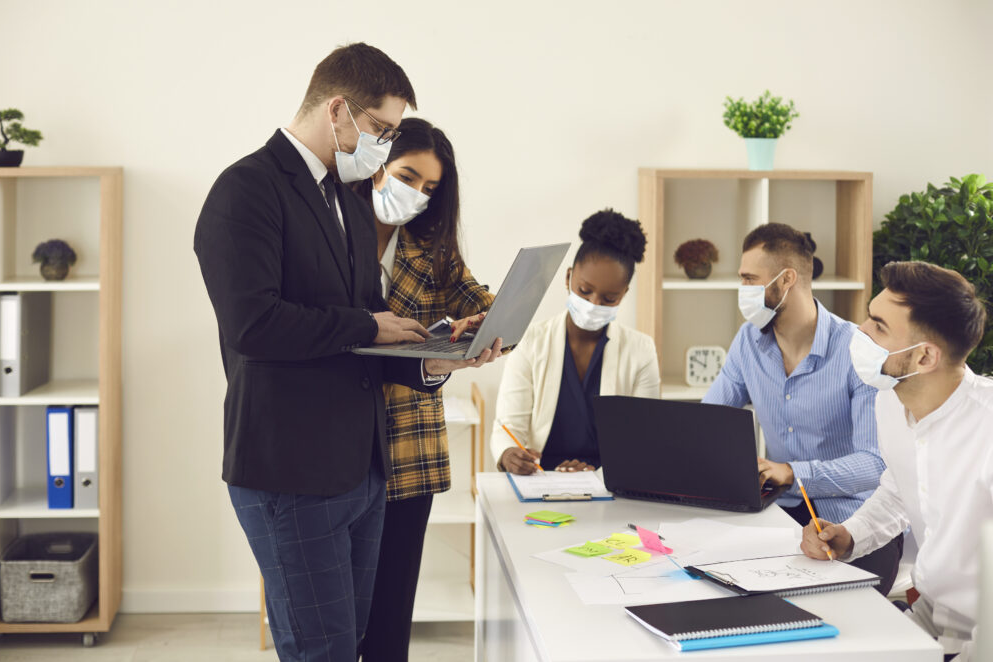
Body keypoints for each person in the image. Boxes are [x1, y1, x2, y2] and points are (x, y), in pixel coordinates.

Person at [193, 43, 500, 662]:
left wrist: (439, 359)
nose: (384, 147)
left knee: (357, 643)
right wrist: (369, 323)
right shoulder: (246, 190)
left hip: (363, 472)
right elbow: (253, 325)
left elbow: (368, 339)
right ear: (338, 110)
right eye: (381, 130)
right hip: (290, 472)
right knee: (321, 650)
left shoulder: (347, 206)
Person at [353, 118, 495, 662]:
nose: (416, 195)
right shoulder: (335, 231)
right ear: (380, 163)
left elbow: (475, 295)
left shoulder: (431, 247)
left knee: (391, 616)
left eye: (430, 188)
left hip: (409, 447)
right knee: (338, 615)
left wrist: (485, 321)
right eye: (408, 176)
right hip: (339, 440)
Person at [801, 261, 991, 662]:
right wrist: (850, 534)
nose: (859, 331)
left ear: (924, 357)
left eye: (878, 326)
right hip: (929, 616)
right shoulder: (890, 400)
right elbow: (898, 489)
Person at [703, 222, 902, 595]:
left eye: (749, 279)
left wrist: (792, 472)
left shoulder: (854, 351)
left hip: (855, 522)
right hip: (780, 515)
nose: (742, 291)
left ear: (786, 279)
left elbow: (875, 463)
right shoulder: (748, 342)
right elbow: (708, 422)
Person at [492, 209, 660, 474]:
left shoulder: (641, 350)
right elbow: (508, 427)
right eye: (585, 290)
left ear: (624, 294)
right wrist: (508, 454)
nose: (594, 304)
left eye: (609, 298)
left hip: (608, 482)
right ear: (568, 277)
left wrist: (593, 477)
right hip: (539, 477)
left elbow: (643, 442)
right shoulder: (530, 341)